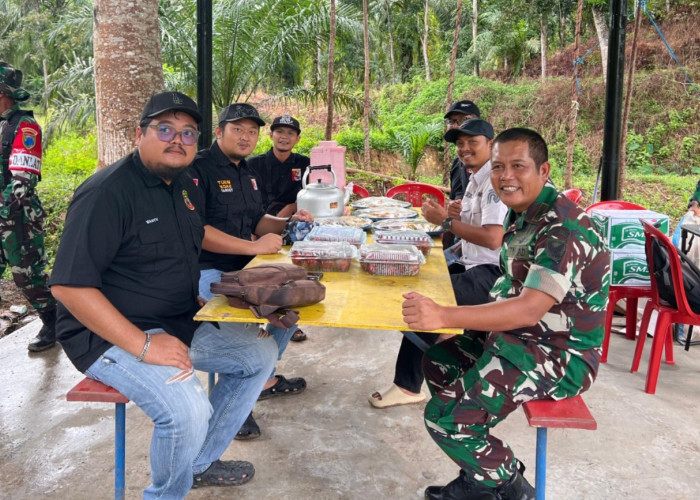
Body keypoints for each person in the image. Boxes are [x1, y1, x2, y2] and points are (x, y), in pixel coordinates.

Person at [50, 92, 278, 498]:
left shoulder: (185, 185)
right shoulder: (107, 192)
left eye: (188, 133)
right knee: (188, 411)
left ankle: (197, 464)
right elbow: (69, 286)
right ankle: (166, 494)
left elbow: (181, 250)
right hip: (110, 334)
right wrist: (143, 346)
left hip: (176, 320)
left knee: (258, 355)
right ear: (140, 134)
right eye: (165, 129)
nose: (177, 140)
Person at [402, 128, 610, 500]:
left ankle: (507, 486)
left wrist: (445, 316)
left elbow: (530, 308)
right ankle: (479, 468)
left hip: (559, 354)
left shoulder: (563, 228)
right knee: (438, 361)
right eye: (498, 167)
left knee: (444, 419)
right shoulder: (524, 214)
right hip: (520, 338)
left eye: (519, 166)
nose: (506, 176)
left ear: (543, 170)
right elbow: (509, 291)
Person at [190, 103, 312, 440]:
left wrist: (289, 222)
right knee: (242, 340)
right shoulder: (198, 169)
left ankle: (263, 378)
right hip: (210, 270)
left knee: (292, 304)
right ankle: (238, 404)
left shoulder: (247, 172)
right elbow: (197, 229)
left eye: (252, 131)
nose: (246, 137)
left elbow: (257, 220)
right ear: (219, 131)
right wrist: (253, 247)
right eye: (238, 129)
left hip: (248, 266)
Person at [369, 118, 506, 409]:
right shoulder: (476, 177)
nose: (465, 149)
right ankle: (440, 362)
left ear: (491, 145)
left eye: (473, 142)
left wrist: (445, 222)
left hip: (492, 274)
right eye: (460, 144)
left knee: (423, 302)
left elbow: (494, 238)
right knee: (418, 279)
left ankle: (408, 385)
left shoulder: (494, 182)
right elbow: (476, 225)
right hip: (472, 263)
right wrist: (453, 215)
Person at [0, 62, 57, 352]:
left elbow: (22, 181)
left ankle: (53, 321)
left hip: (16, 217)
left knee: (27, 276)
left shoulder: (24, 127)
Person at [248, 114, 310, 342]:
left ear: (298, 138)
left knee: (292, 279)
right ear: (271, 134)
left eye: (290, 133)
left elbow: (310, 195)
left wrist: (291, 206)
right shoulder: (254, 164)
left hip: (294, 230)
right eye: (280, 132)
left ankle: (287, 325)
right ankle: (258, 325)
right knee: (265, 279)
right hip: (260, 230)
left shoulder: (305, 164)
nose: (284, 137)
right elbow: (249, 203)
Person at [443, 100, 481, 249]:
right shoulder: (459, 163)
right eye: (452, 121)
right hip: (464, 243)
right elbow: (456, 202)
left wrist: (443, 220)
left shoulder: (497, 172)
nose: (457, 125)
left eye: (465, 120)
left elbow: (493, 238)